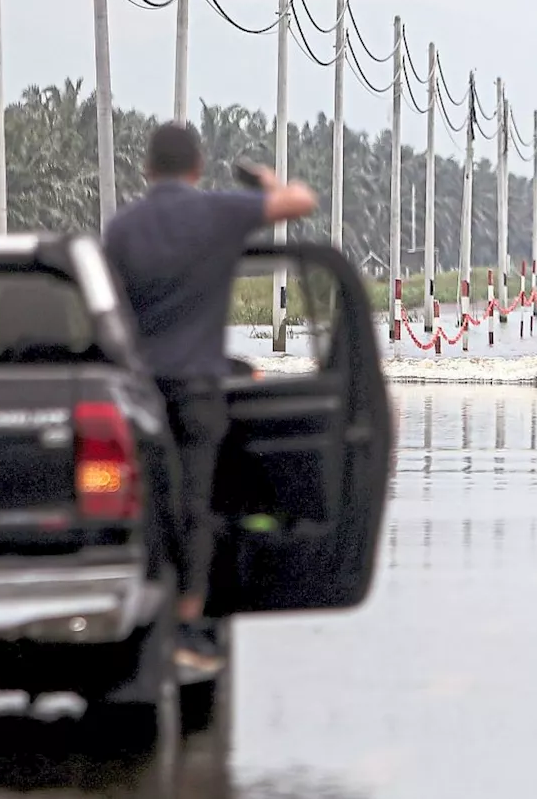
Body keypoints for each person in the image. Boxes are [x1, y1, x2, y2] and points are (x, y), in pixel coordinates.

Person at [103, 122, 318, 673]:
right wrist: (265, 180)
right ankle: (190, 624)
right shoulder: (217, 213)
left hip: (138, 395)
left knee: (145, 504)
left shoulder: (123, 228)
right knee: (195, 505)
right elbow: (301, 202)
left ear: (147, 168)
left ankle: (145, 610)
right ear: (197, 168)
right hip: (199, 390)